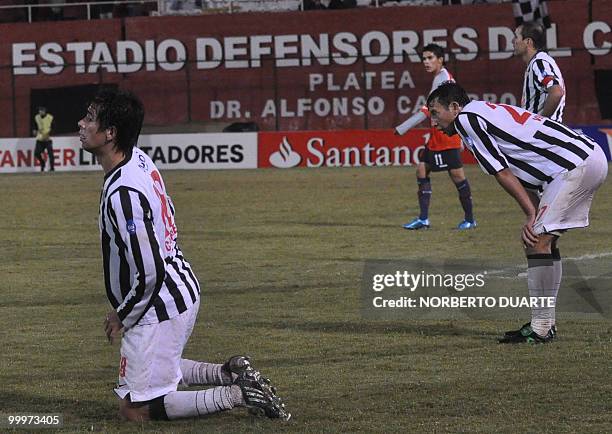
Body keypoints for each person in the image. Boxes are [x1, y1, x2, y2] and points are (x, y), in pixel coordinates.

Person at [78, 89, 290, 422]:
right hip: (178, 288)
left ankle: (237, 394)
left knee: (134, 410)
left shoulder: (124, 193)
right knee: (162, 366)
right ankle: (230, 372)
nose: (81, 124)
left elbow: (150, 272)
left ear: (110, 133)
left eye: (89, 118)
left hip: (158, 305)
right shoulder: (138, 159)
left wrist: (122, 314)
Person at [426, 82, 608, 344]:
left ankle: (542, 327)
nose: (433, 121)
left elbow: (502, 171)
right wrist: (533, 211)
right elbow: (519, 167)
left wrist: (530, 214)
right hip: (583, 159)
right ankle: (544, 324)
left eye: (435, 112)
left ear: (454, 108)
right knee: (543, 241)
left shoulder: (467, 120)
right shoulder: (480, 112)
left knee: (536, 241)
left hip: (574, 165)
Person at [394, 44, 476, 230]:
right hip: (436, 135)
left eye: (430, 58)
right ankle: (423, 219)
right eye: (424, 58)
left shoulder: (443, 79)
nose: (426, 62)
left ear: (440, 59)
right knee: (422, 169)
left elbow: (428, 110)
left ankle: (470, 219)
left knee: (457, 176)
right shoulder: (439, 78)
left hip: (445, 135)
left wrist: (403, 127)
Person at [513, 21, 565, 122]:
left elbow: (556, 92)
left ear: (528, 41)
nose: (513, 41)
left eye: (516, 37)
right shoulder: (538, 61)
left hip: (543, 134)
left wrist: (540, 122)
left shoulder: (539, 63)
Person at [34, 106, 55, 172]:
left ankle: (52, 168)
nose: (40, 111)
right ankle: (42, 163)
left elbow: (54, 127)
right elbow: (34, 126)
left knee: (50, 154)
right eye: (39, 110)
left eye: (42, 110)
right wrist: (34, 131)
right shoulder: (37, 117)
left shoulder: (50, 117)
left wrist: (50, 133)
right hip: (40, 139)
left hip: (48, 139)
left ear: (45, 111)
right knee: (36, 154)